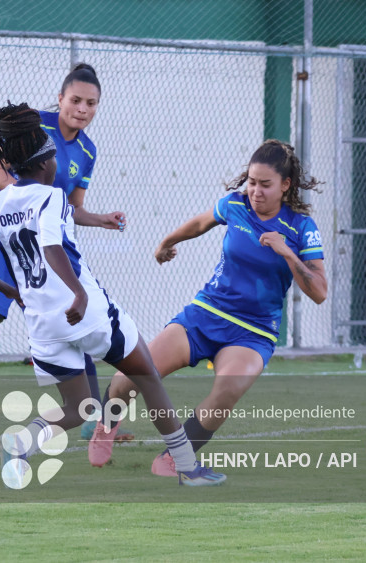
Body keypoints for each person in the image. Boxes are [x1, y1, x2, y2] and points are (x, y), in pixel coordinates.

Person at [0, 102, 225, 487]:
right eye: (53, 156)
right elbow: (52, 246)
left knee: (78, 407)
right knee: (147, 376)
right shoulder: (51, 196)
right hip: (84, 311)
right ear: (42, 164)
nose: (57, 164)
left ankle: (20, 442)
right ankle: (188, 468)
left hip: (42, 324)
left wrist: (14, 292)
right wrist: (77, 294)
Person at [88, 139, 328, 474]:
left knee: (227, 391)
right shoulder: (235, 204)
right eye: (252, 182)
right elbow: (201, 222)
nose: (255, 191)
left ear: (285, 186)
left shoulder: (302, 228)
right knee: (137, 373)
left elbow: (319, 291)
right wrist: (167, 243)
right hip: (207, 313)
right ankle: (106, 422)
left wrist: (287, 253)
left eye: (265, 185)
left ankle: (174, 457)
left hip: (254, 330)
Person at [0, 63, 133, 445]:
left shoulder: (87, 152)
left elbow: (72, 207)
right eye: (75, 100)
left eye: (91, 103)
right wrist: (25, 197)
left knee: (77, 325)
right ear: (60, 99)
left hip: (47, 250)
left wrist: (101, 218)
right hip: (4, 239)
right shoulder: (33, 125)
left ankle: (92, 423)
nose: (82, 108)